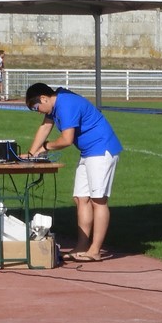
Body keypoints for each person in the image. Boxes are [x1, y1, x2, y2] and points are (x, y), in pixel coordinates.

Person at [23, 82, 124, 262]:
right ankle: (82, 246)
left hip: (101, 150)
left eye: (36, 107)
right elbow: (45, 127)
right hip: (88, 152)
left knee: (98, 200)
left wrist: (45, 147)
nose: (37, 111)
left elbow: (66, 139)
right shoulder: (55, 104)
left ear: (44, 98)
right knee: (80, 198)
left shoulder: (66, 104)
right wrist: (31, 153)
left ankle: (95, 250)